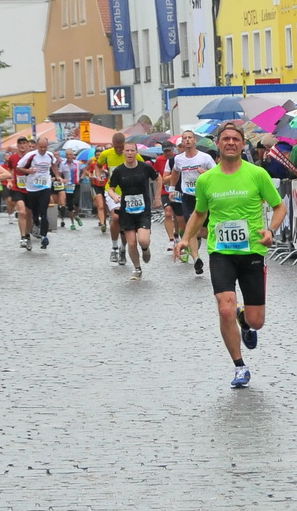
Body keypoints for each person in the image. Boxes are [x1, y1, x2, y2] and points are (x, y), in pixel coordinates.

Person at [179, 123, 285, 387]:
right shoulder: (206, 180)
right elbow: (200, 214)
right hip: (221, 252)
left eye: (235, 139)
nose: (230, 142)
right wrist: (184, 238)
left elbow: (279, 206)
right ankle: (239, 367)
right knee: (224, 307)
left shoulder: (257, 174)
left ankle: (245, 322)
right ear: (218, 144)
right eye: (225, 138)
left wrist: (271, 230)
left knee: (256, 321)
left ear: (242, 144)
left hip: (252, 252)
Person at [167, 129, 216, 274]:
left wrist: (206, 173)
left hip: (205, 197)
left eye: (190, 138)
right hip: (188, 197)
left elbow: (217, 174)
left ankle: (201, 241)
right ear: (182, 142)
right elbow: (175, 171)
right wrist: (171, 188)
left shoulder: (205, 158)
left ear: (195, 140)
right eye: (185, 138)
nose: (187, 140)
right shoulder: (179, 159)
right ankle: (196, 259)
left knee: (204, 231)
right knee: (191, 227)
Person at [108, 142, 159, 279]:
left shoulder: (145, 167)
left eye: (132, 150)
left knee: (143, 240)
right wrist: (114, 196)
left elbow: (158, 178)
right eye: (127, 151)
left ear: (136, 152)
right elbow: (110, 189)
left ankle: (145, 249)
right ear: (123, 153)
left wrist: (158, 197)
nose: (129, 153)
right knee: (131, 243)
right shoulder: (119, 171)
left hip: (143, 210)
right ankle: (137, 269)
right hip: (127, 211)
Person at [15, 135, 57, 249]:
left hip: (45, 187)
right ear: (37, 146)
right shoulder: (31, 155)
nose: (43, 149)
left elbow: (54, 165)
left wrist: (58, 176)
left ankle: (44, 236)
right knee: (34, 213)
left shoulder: (50, 155)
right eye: (41, 147)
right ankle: (36, 223)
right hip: (32, 188)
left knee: (44, 211)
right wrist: (28, 170)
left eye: (45, 147)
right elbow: (18, 168)